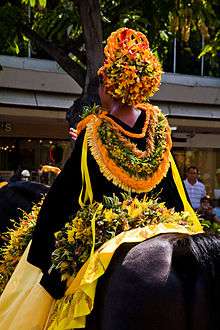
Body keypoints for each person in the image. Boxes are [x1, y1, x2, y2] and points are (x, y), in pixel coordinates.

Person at [0, 28, 202, 329]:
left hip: (104, 234)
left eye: (102, 83)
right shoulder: (159, 128)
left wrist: (44, 254)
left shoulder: (94, 133)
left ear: (110, 85)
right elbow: (173, 191)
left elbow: (62, 200)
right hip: (161, 224)